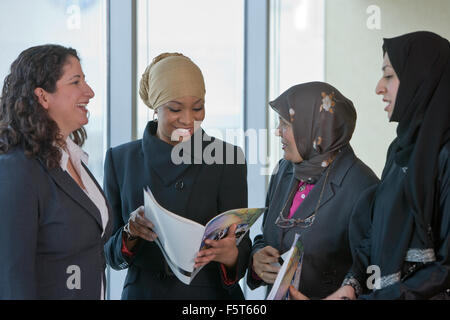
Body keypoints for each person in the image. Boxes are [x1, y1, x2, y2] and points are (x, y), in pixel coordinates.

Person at [103, 52, 250, 299]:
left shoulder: (227, 158)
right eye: (175, 108)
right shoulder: (121, 160)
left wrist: (232, 255)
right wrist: (131, 233)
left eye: (198, 108)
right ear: (155, 106)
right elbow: (109, 254)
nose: (188, 119)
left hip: (207, 297)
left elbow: (241, 245)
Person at [327, 31, 450, 300]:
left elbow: (446, 268)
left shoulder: (445, 156)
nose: (379, 87)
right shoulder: (400, 151)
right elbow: (378, 228)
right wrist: (351, 286)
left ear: (422, 80)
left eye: (389, 75)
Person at [247, 81, 379, 299]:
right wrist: (256, 259)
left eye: (285, 124)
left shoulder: (363, 188)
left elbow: (371, 275)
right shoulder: (285, 170)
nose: (277, 132)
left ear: (316, 127)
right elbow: (266, 235)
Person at [0, 44, 112, 299]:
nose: (90, 91)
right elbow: (12, 278)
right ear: (43, 96)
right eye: (76, 82)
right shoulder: (17, 169)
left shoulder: (73, 157)